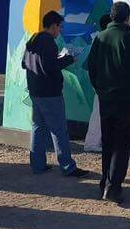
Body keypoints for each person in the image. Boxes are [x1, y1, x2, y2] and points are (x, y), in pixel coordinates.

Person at [87, 1, 130, 204]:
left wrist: (100, 88)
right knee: (121, 145)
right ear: (127, 17)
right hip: (126, 99)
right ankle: (113, 188)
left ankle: (104, 182)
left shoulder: (101, 37)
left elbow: (92, 68)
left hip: (106, 98)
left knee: (107, 142)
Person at [22, 11, 88, 178]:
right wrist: (68, 59)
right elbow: (50, 66)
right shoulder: (49, 42)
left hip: (35, 91)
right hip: (50, 93)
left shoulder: (33, 40)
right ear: (53, 26)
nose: (60, 30)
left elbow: (25, 63)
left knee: (38, 128)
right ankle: (68, 166)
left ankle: (38, 165)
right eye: (60, 27)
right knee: (59, 130)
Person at [83, 14, 113, 153]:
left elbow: (89, 65)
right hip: (104, 83)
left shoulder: (98, 39)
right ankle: (92, 142)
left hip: (101, 83)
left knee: (101, 113)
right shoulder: (104, 40)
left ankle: (96, 141)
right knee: (98, 113)